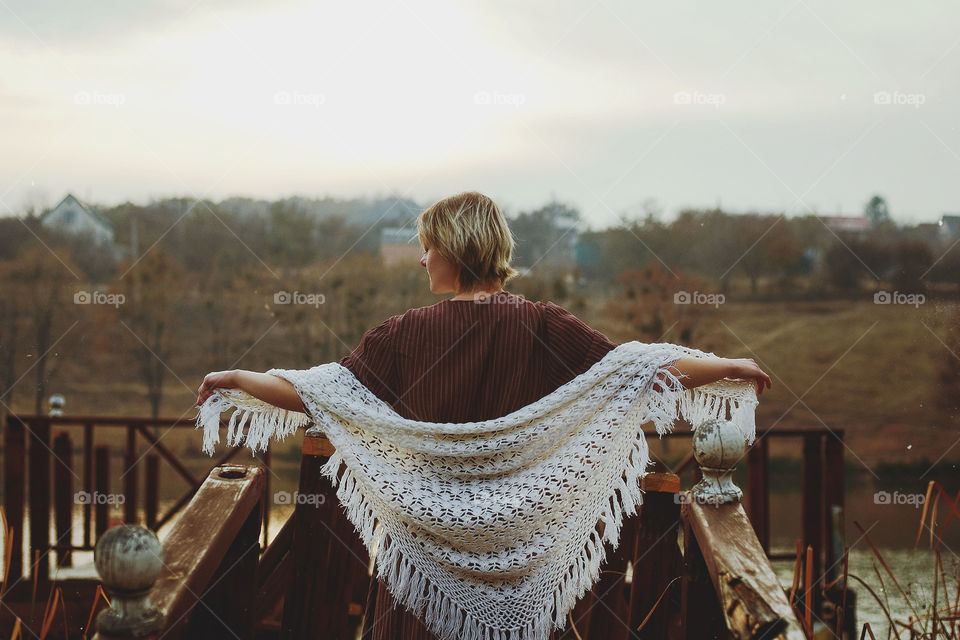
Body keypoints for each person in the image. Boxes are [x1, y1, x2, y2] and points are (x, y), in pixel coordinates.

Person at [196, 191, 771, 638]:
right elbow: (638, 369)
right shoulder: (543, 327)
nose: (421, 258)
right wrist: (728, 365)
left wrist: (238, 379)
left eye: (428, 246)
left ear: (451, 249)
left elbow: (317, 393)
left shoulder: (403, 335)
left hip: (419, 572)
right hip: (519, 571)